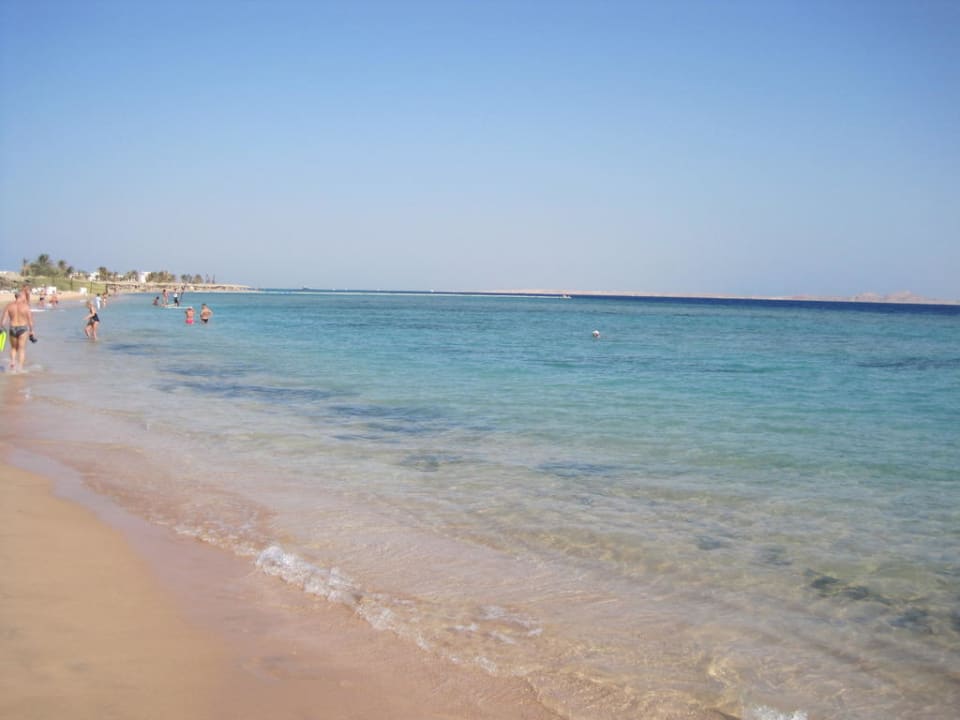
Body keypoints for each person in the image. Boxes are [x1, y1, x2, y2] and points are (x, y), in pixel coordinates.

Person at [2, 291, 36, 372]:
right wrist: (31, 331)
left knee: (13, 348)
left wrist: (2, 329)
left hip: (12, 328)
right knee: (21, 349)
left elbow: (3, 321)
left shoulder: (9, 306)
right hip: (22, 328)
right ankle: (20, 368)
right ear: (21, 297)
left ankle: (13, 363)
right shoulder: (26, 306)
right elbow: (30, 321)